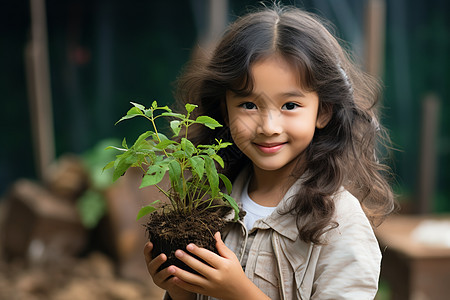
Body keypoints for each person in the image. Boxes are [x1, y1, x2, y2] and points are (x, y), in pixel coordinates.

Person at [144, 4, 395, 300]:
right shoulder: (211, 202)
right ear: (224, 110)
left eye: (290, 105)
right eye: (248, 105)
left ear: (323, 112)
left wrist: (239, 293)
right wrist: (180, 290)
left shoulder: (340, 222)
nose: (268, 126)